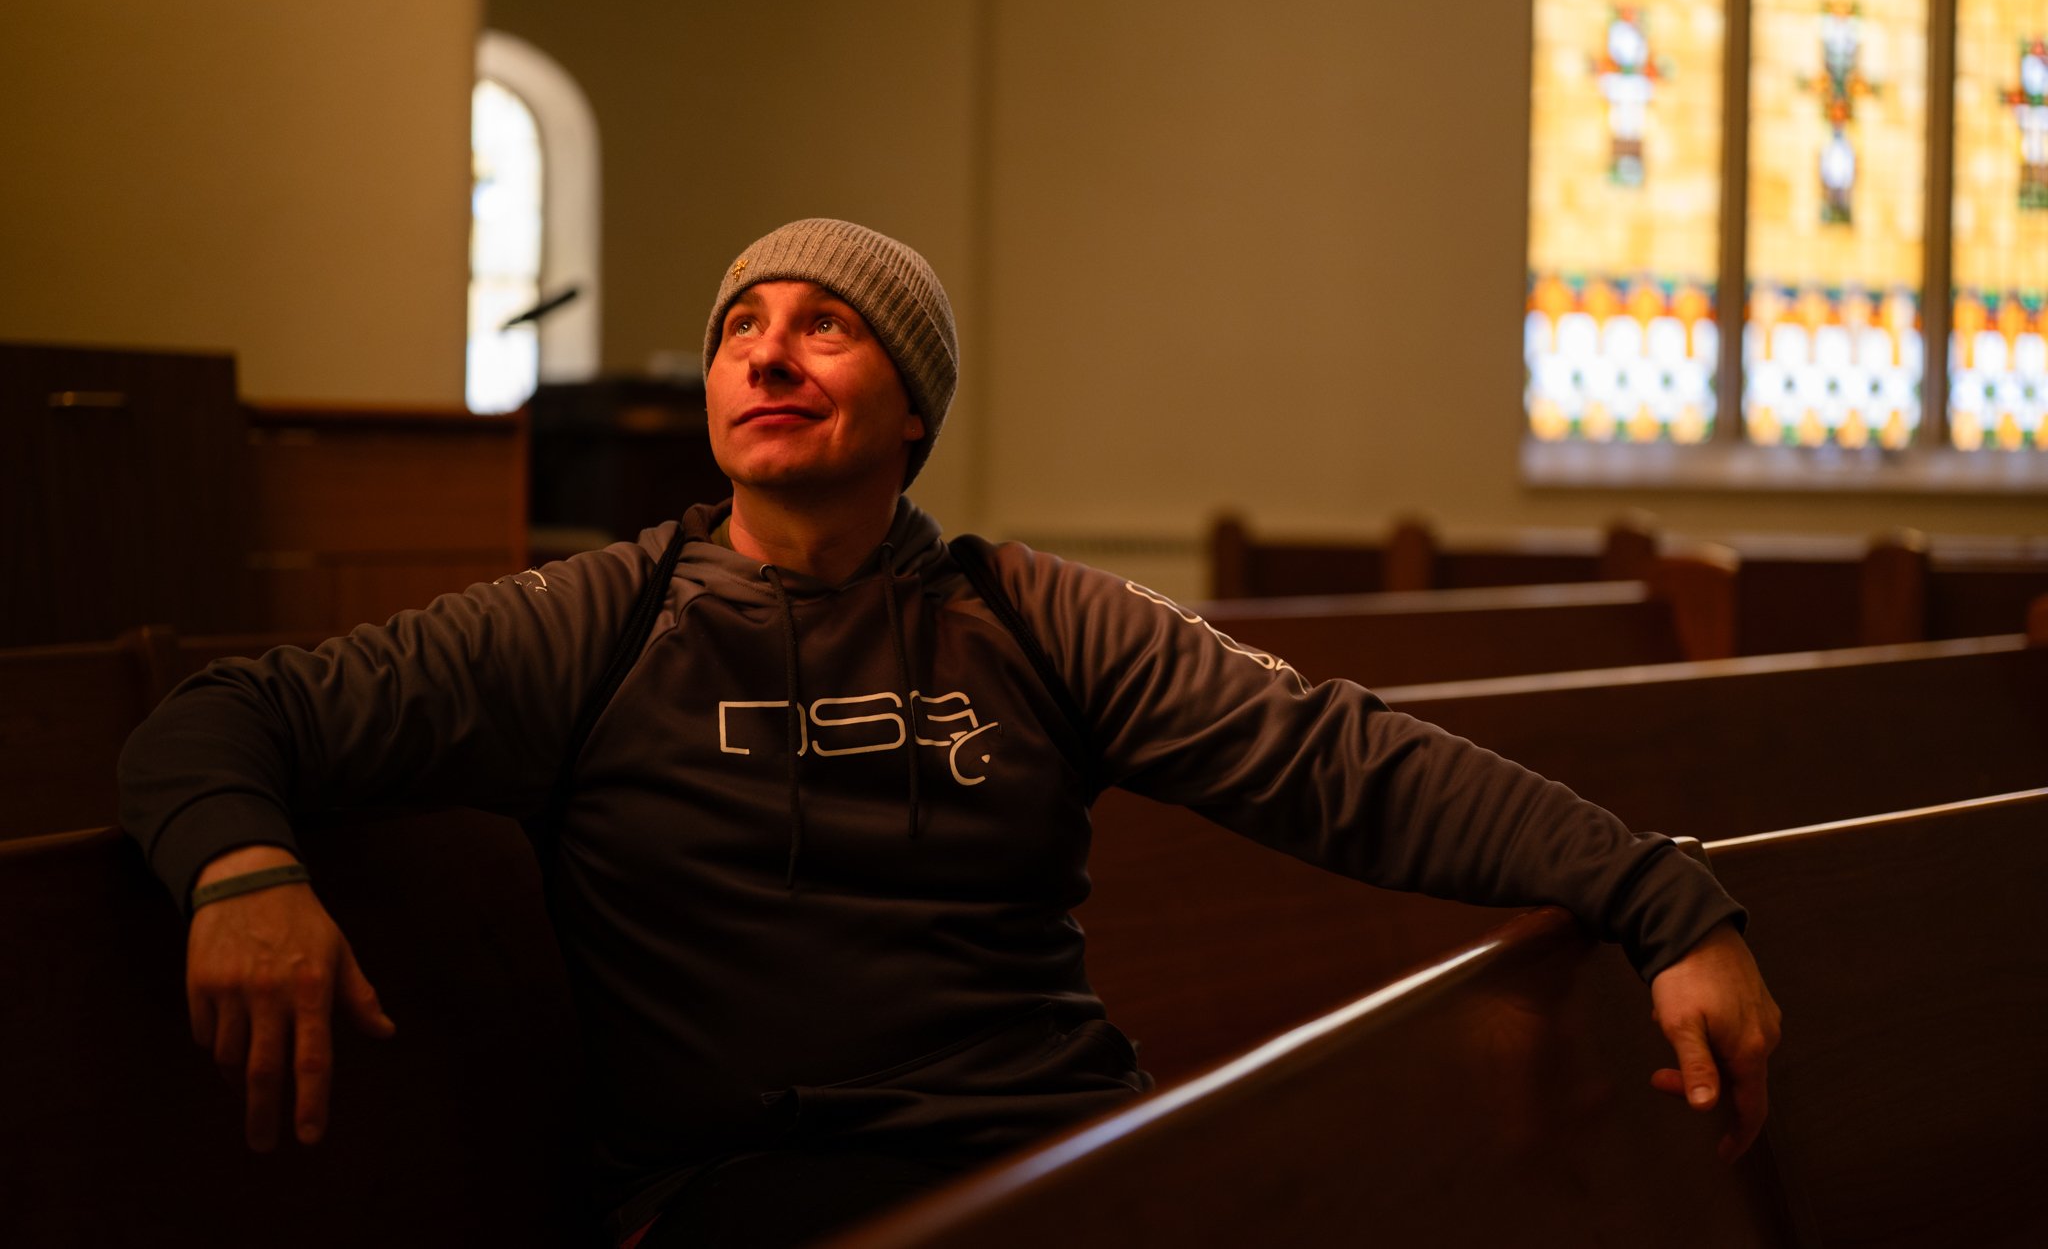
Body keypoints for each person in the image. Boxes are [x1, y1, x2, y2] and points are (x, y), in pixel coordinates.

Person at [120, 218, 1780, 1248]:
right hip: (747, 1188)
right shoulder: (596, 621)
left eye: (820, 325)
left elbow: (1340, 764)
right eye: (737, 330)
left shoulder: (1030, 616)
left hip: (1054, 1149)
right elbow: (223, 718)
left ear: (910, 404)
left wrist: (1658, 892)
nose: (766, 350)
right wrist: (245, 867)